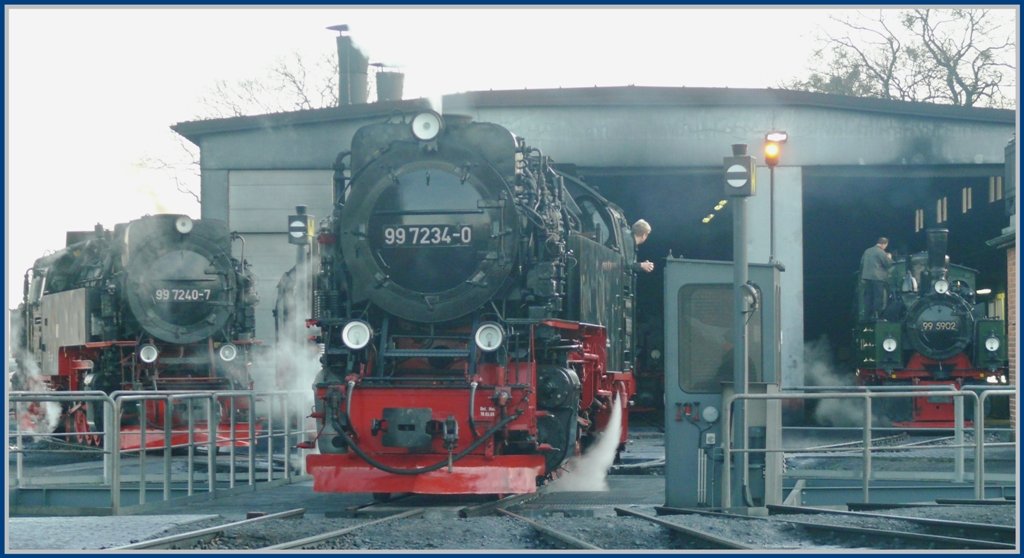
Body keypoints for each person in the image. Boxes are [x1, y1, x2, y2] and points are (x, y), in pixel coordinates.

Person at [860, 236, 894, 320]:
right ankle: (876, 315)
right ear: (884, 244)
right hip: (878, 278)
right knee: (878, 297)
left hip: (867, 277)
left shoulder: (867, 251)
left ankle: (866, 316)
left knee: (868, 297)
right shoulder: (881, 252)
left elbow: (861, 263)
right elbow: (888, 264)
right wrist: (889, 257)